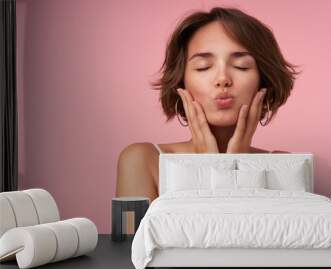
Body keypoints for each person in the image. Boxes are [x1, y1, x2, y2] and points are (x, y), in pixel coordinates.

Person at [116, 7, 301, 201]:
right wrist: (208, 166)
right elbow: (135, 232)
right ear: (181, 81)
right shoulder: (143, 160)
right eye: (203, 67)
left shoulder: (283, 166)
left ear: (263, 81)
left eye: (241, 66)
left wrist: (239, 165)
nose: (222, 79)